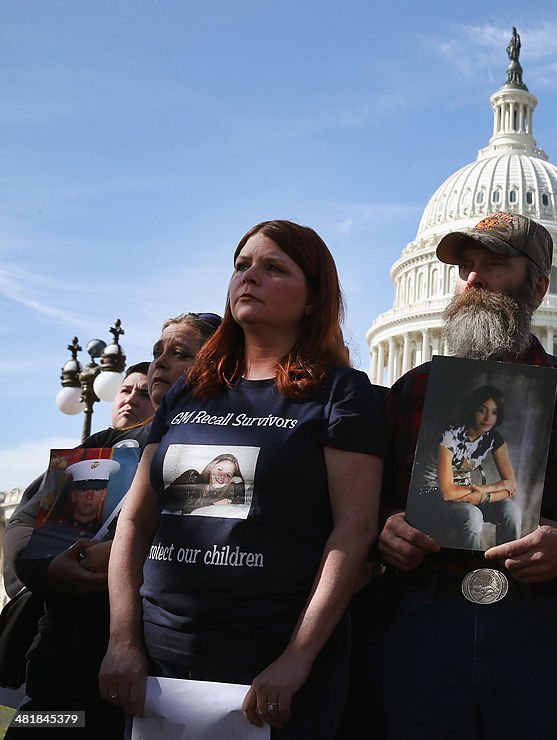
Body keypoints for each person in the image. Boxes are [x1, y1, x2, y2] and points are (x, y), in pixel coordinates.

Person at [99, 220, 385, 738]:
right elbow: (137, 521)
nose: (249, 276)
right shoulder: (191, 392)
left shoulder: (341, 393)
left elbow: (354, 531)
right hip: (160, 658)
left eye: (273, 268)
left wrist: (297, 658)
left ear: (313, 298)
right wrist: (122, 640)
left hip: (271, 663)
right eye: (241, 265)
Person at [374, 211, 557, 739]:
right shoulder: (412, 393)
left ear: (538, 287)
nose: (473, 279)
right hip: (424, 626)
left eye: (494, 265)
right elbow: (360, 510)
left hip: (540, 630)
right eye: (465, 266)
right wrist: (385, 529)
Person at [4, 315, 220, 740]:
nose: (158, 365)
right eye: (157, 353)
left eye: (179, 355)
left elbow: (212, 555)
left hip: (158, 683)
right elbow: (25, 527)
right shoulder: (104, 444)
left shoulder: (219, 455)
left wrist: (126, 557)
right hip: (60, 679)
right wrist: (50, 568)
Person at [412, 385, 521, 549]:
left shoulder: (493, 439)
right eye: (482, 410)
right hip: (431, 495)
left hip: (467, 493)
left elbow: (511, 487)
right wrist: (493, 487)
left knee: (511, 510)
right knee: (472, 515)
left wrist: (484, 498)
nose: (487, 418)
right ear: (472, 409)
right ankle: (470, 568)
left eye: (494, 412)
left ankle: (507, 564)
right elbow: (448, 493)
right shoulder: (450, 434)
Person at [165, 452, 247, 515]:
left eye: (228, 475)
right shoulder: (192, 477)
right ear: (211, 468)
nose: (222, 476)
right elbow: (184, 510)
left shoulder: (226, 496)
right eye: (219, 469)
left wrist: (238, 483)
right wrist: (213, 504)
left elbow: (238, 509)